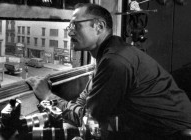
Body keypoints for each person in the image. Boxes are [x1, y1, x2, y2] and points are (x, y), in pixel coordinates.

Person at [26, 3, 191, 140]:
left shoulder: (114, 61)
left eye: (75, 25)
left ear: (99, 27)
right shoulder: (107, 55)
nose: (69, 32)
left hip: (170, 135)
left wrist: (49, 97)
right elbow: (85, 102)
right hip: (144, 126)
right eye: (69, 26)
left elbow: (90, 120)